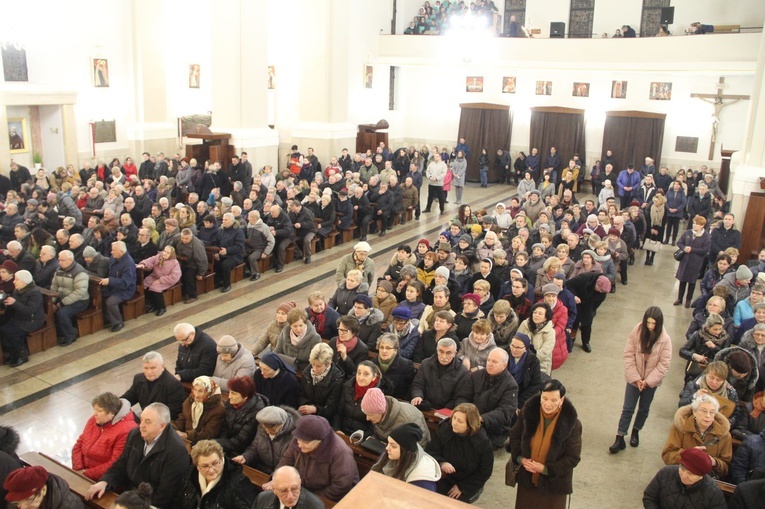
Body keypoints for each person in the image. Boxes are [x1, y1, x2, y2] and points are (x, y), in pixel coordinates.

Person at [88, 403, 190, 508]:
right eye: (141, 420)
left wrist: (136, 505)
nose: (141, 425)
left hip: (151, 503)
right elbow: (122, 463)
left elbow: (166, 494)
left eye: (148, 422)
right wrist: (105, 481)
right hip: (130, 494)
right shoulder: (135, 434)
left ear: (162, 426)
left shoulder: (176, 451)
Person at [508, 380, 583, 509]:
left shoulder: (572, 424)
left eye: (554, 400)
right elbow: (514, 437)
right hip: (527, 479)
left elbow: (572, 458)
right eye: (545, 398)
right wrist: (521, 459)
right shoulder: (528, 413)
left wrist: (545, 469)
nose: (548, 404)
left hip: (554, 484)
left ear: (562, 400)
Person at [609, 307, 672, 453]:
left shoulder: (665, 340)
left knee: (644, 409)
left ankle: (636, 431)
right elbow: (628, 355)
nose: (650, 326)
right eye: (648, 323)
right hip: (634, 379)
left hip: (651, 382)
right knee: (628, 408)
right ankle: (620, 436)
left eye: (653, 324)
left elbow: (664, 364)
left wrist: (648, 381)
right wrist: (636, 378)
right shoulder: (636, 333)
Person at [272, 415, 359, 502]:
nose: (300, 444)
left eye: (306, 442)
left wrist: (307, 498)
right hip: (302, 490)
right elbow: (285, 461)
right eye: (299, 439)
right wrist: (277, 480)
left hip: (328, 498)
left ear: (320, 441)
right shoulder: (300, 438)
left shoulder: (341, 453)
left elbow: (340, 486)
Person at [426, 403, 494, 502]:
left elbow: (485, 471)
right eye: (454, 418)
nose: (454, 423)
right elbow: (431, 450)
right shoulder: (445, 429)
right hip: (445, 476)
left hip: (468, 480)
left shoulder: (481, 442)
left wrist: (463, 487)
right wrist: (442, 462)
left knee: (453, 502)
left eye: (460, 421)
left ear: (469, 425)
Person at [661, 394, 733, 479]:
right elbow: (667, 456)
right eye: (703, 411)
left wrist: (714, 462)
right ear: (694, 412)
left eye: (712, 412)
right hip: (681, 474)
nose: (708, 416)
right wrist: (688, 454)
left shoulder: (724, 435)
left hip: (707, 478)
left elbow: (726, 466)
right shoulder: (680, 428)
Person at [71, 392, 138, 480]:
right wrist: (78, 468)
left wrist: (86, 473)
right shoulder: (94, 420)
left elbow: (114, 463)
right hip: (82, 472)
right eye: (95, 409)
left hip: (103, 479)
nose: (95, 414)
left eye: (100, 411)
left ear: (112, 413)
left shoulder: (126, 430)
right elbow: (79, 443)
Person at [177, 439, 257, 509]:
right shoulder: (190, 474)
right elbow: (177, 502)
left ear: (222, 459)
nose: (211, 470)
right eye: (205, 466)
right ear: (197, 466)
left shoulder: (239, 483)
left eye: (215, 463)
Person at [643, 448, 727, 509]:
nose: (683, 476)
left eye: (690, 474)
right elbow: (650, 497)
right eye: (682, 469)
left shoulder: (714, 494)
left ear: (701, 476)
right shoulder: (666, 473)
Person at [468, 347, 518, 448]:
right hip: (470, 419)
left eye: (494, 362)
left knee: (473, 445)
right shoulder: (476, 376)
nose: (489, 364)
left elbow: (505, 412)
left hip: (493, 429)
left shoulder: (510, 385)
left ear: (504, 365)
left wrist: (482, 419)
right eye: (488, 360)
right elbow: (463, 396)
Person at [371, 423, 441, 491]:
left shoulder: (421, 479)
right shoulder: (390, 456)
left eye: (393, 446)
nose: (387, 448)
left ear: (405, 451)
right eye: (388, 443)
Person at [232, 406, 300, 475]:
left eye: (272, 430)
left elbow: (288, 463)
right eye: (265, 428)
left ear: (282, 424)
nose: (267, 431)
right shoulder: (262, 428)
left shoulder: (294, 436)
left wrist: (275, 477)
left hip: (281, 475)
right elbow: (254, 448)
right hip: (261, 470)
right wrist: (245, 457)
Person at [120, 351, 186, 420]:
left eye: (153, 368)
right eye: (146, 368)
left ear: (162, 366)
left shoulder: (173, 385)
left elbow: (173, 414)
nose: (149, 372)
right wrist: (112, 405)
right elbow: (128, 398)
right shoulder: (138, 379)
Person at [410, 338, 471, 411]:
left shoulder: (462, 372)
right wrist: (417, 396)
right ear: (437, 351)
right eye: (441, 352)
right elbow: (418, 384)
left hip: (446, 413)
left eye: (448, 353)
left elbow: (459, 397)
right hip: (424, 407)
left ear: (455, 353)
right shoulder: (426, 364)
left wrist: (444, 410)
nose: (444, 356)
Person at [215, 376, 267, 456]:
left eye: (233, 393)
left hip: (242, 451)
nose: (229, 396)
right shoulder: (232, 402)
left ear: (245, 396)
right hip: (228, 444)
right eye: (230, 392)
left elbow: (241, 441)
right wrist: (220, 444)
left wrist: (216, 444)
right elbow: (225, 427)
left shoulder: (256, 412)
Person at [0, 270, 43, 366]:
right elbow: (15, 305)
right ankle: (13, 353)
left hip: (32, 320)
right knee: (3, 329)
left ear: (24, 282)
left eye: (16, 280)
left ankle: (22, 355)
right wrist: (4, 300)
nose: (14, 282)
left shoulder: (34, 293)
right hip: (19, 318)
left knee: (11, 332)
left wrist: (14, 302)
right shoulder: (17, 289)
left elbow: (29, 311)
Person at [298, 343, 345, 422]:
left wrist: (315, 409)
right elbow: (301, 394)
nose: (315, 368)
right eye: (313, 364)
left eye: (319, 366)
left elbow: (331, 408)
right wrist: (306, 406)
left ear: (328, 364)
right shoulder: (306, 372)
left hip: (323, 418)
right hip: (306, 413)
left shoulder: (337, 379)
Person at [173, 376, 226, 444]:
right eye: (195, 390)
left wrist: (186, 435)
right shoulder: (190, 401)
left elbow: (208, 434)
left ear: (209, 391)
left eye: (201, 391)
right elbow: (182, 419)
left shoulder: (218, 409)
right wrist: (173, 427)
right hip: (187, 440)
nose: (196, 395)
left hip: (203, 444)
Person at [3, 465, 84, 509]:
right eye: (18, 502)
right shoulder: (15, 501)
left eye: (28, 499)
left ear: (43, 490)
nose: (22, 507)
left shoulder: (70, 505)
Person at [675, 216, 712, 308]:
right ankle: (680, 298)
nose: (694, 225)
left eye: (697, 224)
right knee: (682, 280)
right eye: (694, 223)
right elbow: (679, 242)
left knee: (692, 282)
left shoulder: (706, 236)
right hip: (685, 260)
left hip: (696, 262)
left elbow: (705, 250)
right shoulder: (688, 233)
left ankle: (688, 299)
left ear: (702, 226)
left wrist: (692, 249)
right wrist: (684, 248)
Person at [99, 241, 136, 332]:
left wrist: (110, 281)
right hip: (113, 286)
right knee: (100, 295)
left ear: (121, 252)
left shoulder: (128, 264)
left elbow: (125, 283)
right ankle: (108, 319)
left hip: (126, 289)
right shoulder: (114, 257)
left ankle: (118, 322)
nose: (111, 252)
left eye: (114, 250)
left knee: (111, 302)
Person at [136, 245, 180, 317]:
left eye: (167, 252)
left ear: (171, 254)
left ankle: (162, 307)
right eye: (164, 251)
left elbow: (175, 276)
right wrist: (143, 264)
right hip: (155, 276)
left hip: (166, 280)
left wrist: (160, 280)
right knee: (146, 283)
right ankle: (153, 305)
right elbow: (150, 260)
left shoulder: (174, 262)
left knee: (155, 288)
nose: (165, 253)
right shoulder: (158, 256)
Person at [273, 308, 322, 372]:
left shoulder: (315, 338)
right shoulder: (284, 333)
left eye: (301, 325)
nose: (298, 329)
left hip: (306, 371)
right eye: (295, 326)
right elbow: (277, 351)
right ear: (290, 325)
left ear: (306, 323)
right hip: (286, 368)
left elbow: (316, 360)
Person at [253, 465, 325, 509]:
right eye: (283, 490)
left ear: (300, 483)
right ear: (274, 489)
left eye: (294, 488)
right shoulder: (261, 499)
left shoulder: (316, 506)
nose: (290, 496)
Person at [372, 333, 415, 400]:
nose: (384, 351)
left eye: (388, 348)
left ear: (395, 350)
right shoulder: (372, 364)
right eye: (381, 347)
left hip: (397, 402)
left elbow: (409, 390)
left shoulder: (406, 365)